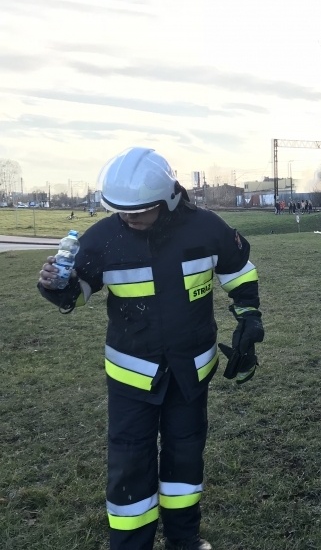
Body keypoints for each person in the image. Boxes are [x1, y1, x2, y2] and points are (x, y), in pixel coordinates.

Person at [37, 147, 264, 550]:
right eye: (121, 209)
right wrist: (55, 286)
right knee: (130, 466)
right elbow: (76, 289)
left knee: (185, 461)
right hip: (130, 379)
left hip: (191, 374)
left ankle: (184, 540)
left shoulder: (207, 228)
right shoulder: (103, 238)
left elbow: (238, 271)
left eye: (139, 210)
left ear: (169, 198)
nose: (128, 217)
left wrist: (249, 316)